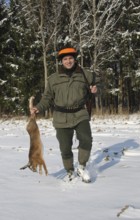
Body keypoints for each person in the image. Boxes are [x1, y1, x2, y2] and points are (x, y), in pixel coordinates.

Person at [30, 47, 100, 183]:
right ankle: (69, 170)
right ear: (61, 61)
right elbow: (47, 98)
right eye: (65, 59)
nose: (68, 61)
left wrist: (95, 90)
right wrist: (38, 108)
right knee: (65, 147)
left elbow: (97, 87)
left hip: (80, 113)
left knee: (86, 139)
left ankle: (82, 166)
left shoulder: (85, 75)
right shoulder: (53, 79)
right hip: (61, 117)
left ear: (75, 59)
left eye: (70, 58)